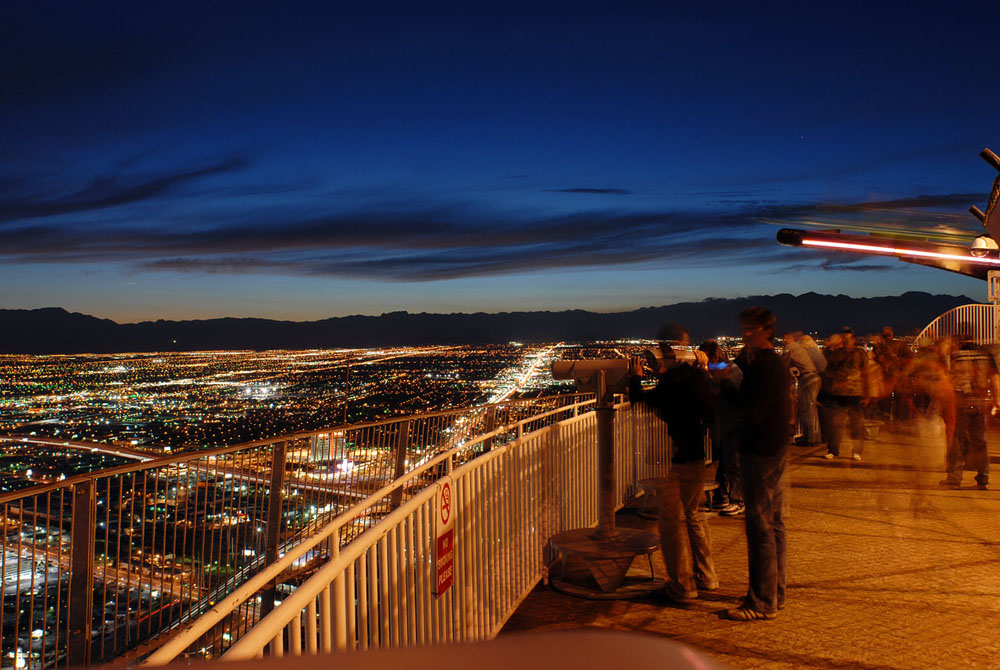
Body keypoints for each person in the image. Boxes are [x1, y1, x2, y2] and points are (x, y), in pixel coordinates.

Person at [630, 341, 719, 601]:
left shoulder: (676, 388)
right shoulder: (693, 384)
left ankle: (682, 587)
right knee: (692, 517)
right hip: (697, 460)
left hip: (683, 462)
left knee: (670, 524)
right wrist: (702, 369)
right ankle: (707, 576)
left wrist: (636, 378)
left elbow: (642, 399)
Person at [727, 306, 790, 621]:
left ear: (767, 330)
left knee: (759, 526)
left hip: (760, 452)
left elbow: (751, 412)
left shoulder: (764, 367)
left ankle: (761, 601)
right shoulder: (772, 363)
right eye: (744, 327)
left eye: (750, 328)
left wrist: (725, 386)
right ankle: (775, 593)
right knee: (774, 524)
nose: (745, 333)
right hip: (774, 449)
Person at [942, 333, 998, 489]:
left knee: (957, 439)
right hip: (979, 401)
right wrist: (996, 400)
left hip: (962, 400)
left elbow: (949, 377)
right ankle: (983, 477)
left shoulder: (957, 353)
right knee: (980, 440)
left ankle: (954, 477)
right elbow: (994, 377)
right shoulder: (985, 353)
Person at [699, 339, 745, 516]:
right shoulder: (721, 369)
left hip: (733, 423)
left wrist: (704, 370)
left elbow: (715, 389)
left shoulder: (729, 371)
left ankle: (737, 500)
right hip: (722, 423)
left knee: (733, 463)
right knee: (723, 462)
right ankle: (722, 497)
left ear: (715, 356)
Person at [823, 327, 867, 460]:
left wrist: (867, 393)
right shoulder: (836, 353)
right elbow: (828, 369)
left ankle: (857, 451)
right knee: (836, 423)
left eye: (849, 338)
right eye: (845, 339)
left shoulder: (860, 354)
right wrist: (837, 375)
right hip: (839, 391)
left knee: (856, 423)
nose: (847, 341)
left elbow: (866, 373)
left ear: (854, 340)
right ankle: (833, 450)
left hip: (855, 391)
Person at [784, 332, 822, 446]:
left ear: (789, 339)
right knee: (810, 409)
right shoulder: (799, 347)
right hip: (814, 377)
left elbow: (783, 363)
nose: (783, 341)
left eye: (784, 339)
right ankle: (812, 436)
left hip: (807, 378)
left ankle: (810, 438)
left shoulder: (790, 347)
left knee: (807, 409)